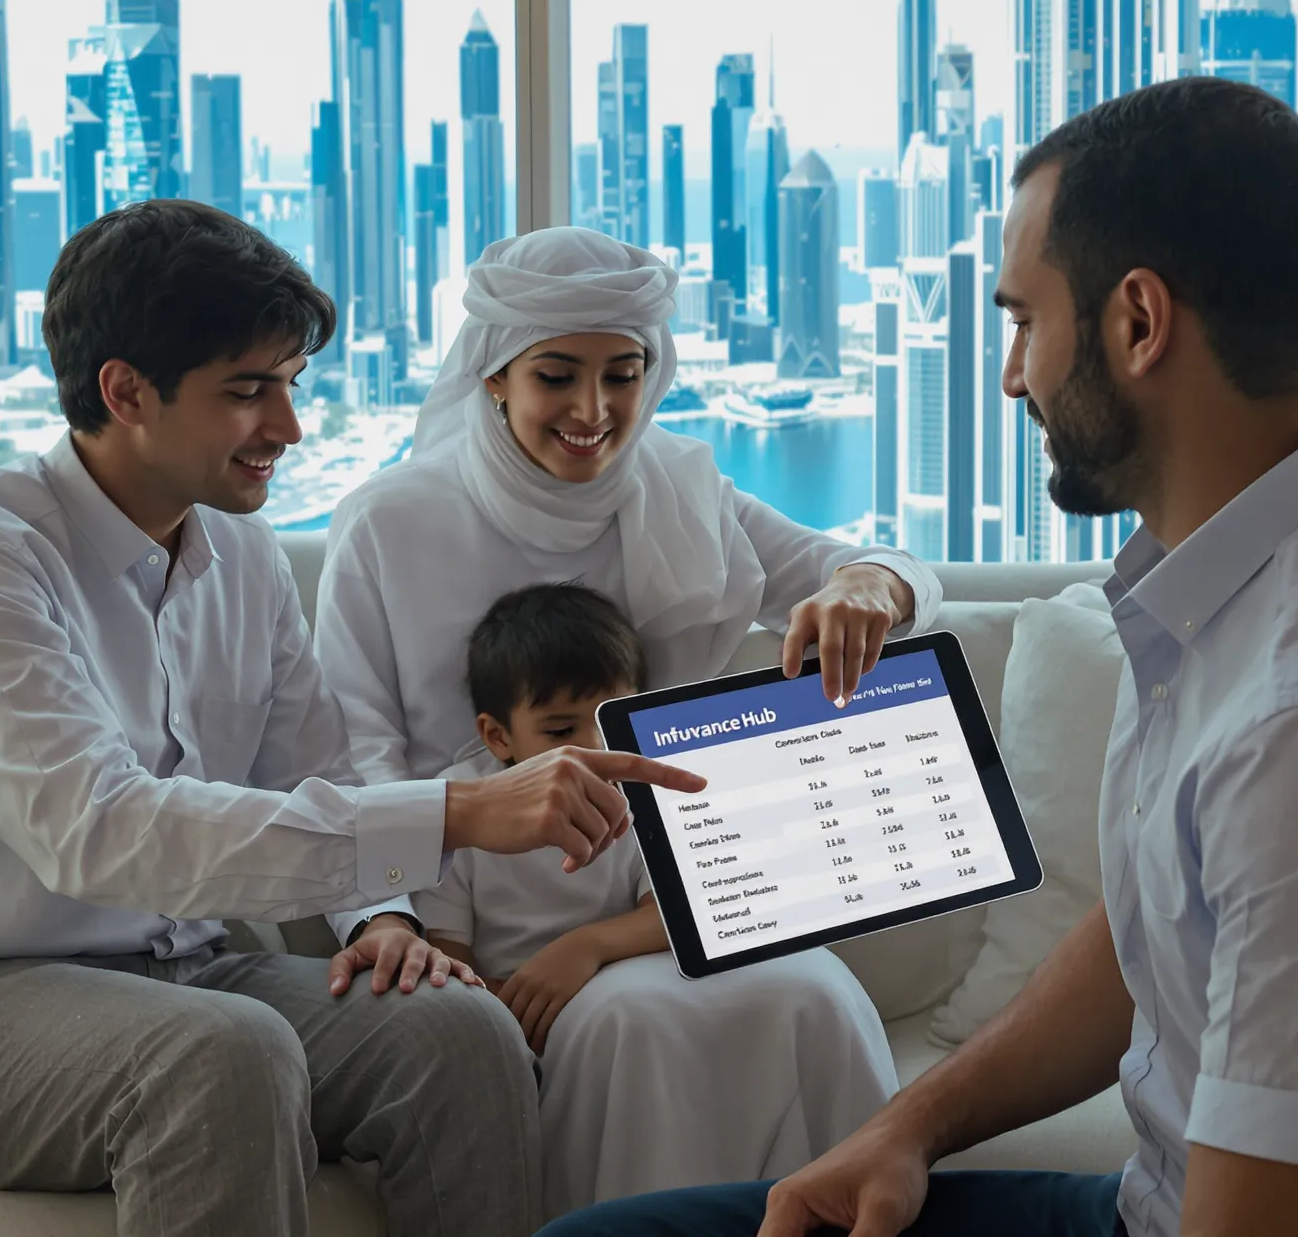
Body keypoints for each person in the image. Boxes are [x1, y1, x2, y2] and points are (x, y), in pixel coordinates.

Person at [543, 77, 1298, 1237]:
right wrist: (907, 1127)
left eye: (1022, 321)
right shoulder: (1280, 559)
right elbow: (1157, 926)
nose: (1011, 373)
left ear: (1138, 322)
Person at [0, 202, 705, 1237]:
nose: (289, 427)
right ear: (125, 391)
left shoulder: (246, 559)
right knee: (222, 1055)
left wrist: (389, 924)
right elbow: (98, 830)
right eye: (248, 392)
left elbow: (317, 773)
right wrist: (460, 812)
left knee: (458, 1028)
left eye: (290, 386)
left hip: (179, 968)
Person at [316, 226, 920, 1209]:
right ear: (494, 377)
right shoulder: (389, 522)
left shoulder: (685, 493)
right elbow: (358, 752)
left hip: (673, 896)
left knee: (816, 993)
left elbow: (884, 571)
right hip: (482, 894)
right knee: (637, 1027)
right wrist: (391, 919)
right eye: (557, 375)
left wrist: (866, 586)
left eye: (623, 375)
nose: (593, 411)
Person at [418, 582, 897, 1217]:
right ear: (498, 736)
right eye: (561, 728)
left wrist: (584, 948)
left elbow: (680, 906)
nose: (593, 746)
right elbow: (446, 953)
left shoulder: (644, 785)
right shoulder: (463, 806)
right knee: (639, 1032)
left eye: (609, 718)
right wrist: (498, 1005)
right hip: (529, 1015)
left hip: (630, 977)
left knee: (804, 991)